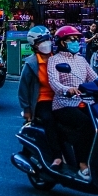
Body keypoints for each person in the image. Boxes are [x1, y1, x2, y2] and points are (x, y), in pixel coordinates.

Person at [47, 25, 97, 179]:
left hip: (84, 101)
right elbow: (53, 81)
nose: (76, 42)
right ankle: (82, 164)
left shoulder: (82, 60)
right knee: (86, 124)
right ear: (62, 42)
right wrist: (66, 89)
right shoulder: (55, 60)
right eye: (72, 39)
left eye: (77, 39)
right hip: (63, 103)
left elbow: (95, 78)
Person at [17, 26, 62, 169]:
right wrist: (27, 110)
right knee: (50, 120)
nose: (46, 43)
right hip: (42, 101)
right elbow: (23, 89)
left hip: (60, 99)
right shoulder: (31, 64)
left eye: (47, 40)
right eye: (41, 41)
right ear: (34, 45)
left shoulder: (57, 59)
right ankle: (57, 156)